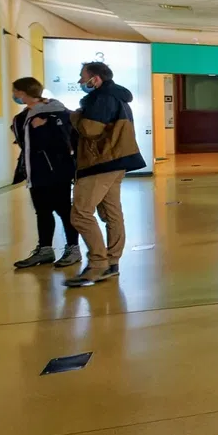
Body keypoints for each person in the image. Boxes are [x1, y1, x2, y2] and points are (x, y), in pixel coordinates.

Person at [66, 61, 146, 288]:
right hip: (116, 161)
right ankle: (111, 262)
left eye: (83, 77)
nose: (81, 81)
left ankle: (98, 264)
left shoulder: (102, 98)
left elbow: (90, 130)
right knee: (112, 212)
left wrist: (73, 115)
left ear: (96, 79)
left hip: (100, 162)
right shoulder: (117, 97)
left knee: (80, 213)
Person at [9, 78, 80, 269]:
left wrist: (44, 129)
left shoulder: (55, 113)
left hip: (56, 171)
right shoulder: (25, 116)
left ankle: (73, 248)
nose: (14, 95)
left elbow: (64, 141)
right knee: (42, 210)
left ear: (23, 93)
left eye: (15, 91)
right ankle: (45, 249)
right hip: (36, 171)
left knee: (64, 209)